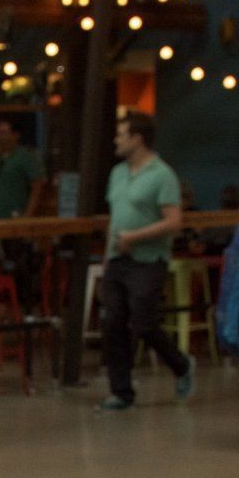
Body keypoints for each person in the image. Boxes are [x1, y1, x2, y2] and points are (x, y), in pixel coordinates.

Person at [96, 112, 196, 411]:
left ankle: (181, 365)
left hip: (148, 259)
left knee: (143, 321)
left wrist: (136, 236)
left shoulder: (162, 175)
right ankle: (121, 392)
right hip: (117, 258)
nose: (116, 140)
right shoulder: (117, 174)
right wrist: (106, 258)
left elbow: (174, 222)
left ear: (137, 139)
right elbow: (115, 219)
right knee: (112, 322)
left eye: (121, 134)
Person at [0, 119, 44, 221]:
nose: (0, 137)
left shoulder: (25, 157)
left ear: (16, 135)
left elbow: (37, 186)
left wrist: (27, 215)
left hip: (15, 215)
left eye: (4, 133)